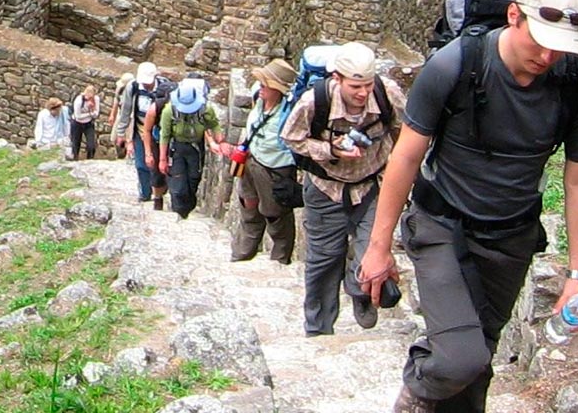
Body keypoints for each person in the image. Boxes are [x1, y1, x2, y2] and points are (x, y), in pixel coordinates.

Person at [358, 0, 578, 413]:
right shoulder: (456, 64)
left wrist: (577, 275)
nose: (548, 56)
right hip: (441, 228)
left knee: (479, 359)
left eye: (559, 47)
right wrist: (378, 247)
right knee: (459, 359)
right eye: (540, 41)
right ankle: (413, 397)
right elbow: (406, 157)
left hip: (511, 238)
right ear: (514, 16)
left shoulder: (575, 81)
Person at [288, 41, 407, 336]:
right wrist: (330, 149)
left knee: (372, 248)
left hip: (372, 185)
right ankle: (319, 328)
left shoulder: (387, 94)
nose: (363, 93)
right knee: (323, 259)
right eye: (356, 86)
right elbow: (291, 138)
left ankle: (360, 292)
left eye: (367, 85)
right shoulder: (313, 103)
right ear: (337, 79)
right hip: (326, 188)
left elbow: (404, 131)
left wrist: (400, 166)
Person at [223, 58, 301, 264]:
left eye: (267, 83)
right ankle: (241, 254)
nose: (262, 86)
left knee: (274, 213)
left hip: (275, 170)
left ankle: (279, 259)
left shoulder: (290, 113)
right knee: (248, 205)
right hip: (250, 161)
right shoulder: (258, 96)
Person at [159, 77, 228, 219]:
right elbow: (165, 135)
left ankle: (187, 209)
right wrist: (162, 159)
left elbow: (213, 124)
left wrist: (219, 138)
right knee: (178, 186)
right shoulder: (169, 111)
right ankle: (178, 211)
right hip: (177, 148)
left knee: (193, 180)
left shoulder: (205, 110)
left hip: (196, 149)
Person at [118, 62, 169, 204]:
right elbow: (126, 111)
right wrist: (121, 133)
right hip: (140, 130)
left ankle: (160, 190)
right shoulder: (133, 87)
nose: (146, 85)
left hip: (160, 132)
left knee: (159, 163)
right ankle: (145, 193)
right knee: (141, 164)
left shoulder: (165, 87)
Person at [70, 84, 102, 161]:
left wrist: (92, 110)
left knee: (91, 145)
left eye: (92, 97)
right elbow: (78, 116)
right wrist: (90, 114)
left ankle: (89, 160)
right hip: (77, 123)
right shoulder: (79, 100)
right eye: (88, 97)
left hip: (88, 124)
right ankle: (75, 159)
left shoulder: (96, 99)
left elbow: (96, 114)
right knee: (75, 144)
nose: (90, 99)